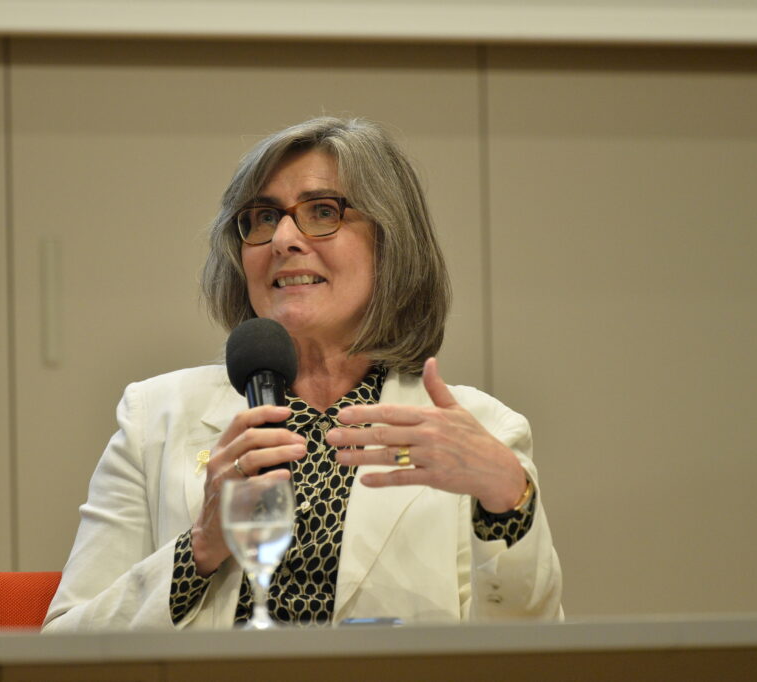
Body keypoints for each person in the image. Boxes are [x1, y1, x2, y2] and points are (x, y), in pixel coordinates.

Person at [43, 117, 562, 631]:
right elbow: (61, 651)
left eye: (321, 212)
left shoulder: (479, 429)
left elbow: (529, 655)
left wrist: (505, 500)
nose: (283, 239)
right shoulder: (153, 417)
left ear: (390, 241)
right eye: (263, 218)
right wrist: (199, 547)